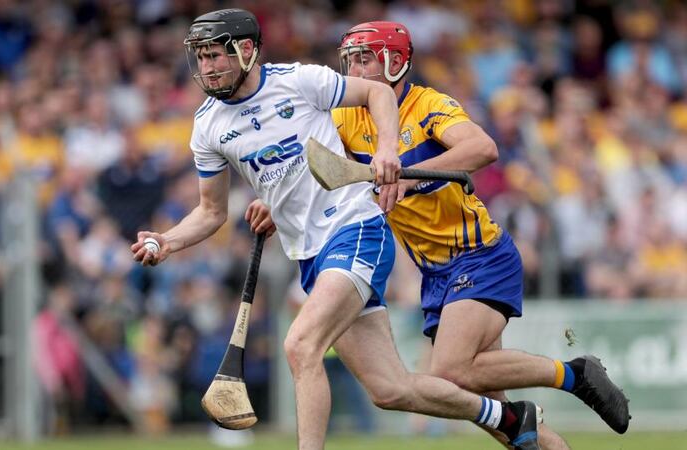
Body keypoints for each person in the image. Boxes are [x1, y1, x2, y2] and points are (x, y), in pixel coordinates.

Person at [131, 9, 542, 450]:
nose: (207, 67)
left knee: (300, 344)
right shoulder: (208, 125)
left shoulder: (297, 80)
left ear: (246, 51)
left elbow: (378, 96)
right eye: (201, 58)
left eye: (216, 55)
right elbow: (210, 212)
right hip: (310, 257)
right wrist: (167, 240)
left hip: (354, 229)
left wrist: (388, 152)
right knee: (391, 389)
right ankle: (508, 417)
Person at [247, 21, 630, 449]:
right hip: (434, 274)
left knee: (450, 372)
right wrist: (277, 203)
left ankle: (575, 373)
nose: (354, 69)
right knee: (508, 427)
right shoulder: (344, 117)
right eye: (350, 59)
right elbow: (319, 171)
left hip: (479, 256)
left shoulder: (427, 104)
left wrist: (410, 179)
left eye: (365, 58)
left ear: (395, 61)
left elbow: (482, 148)